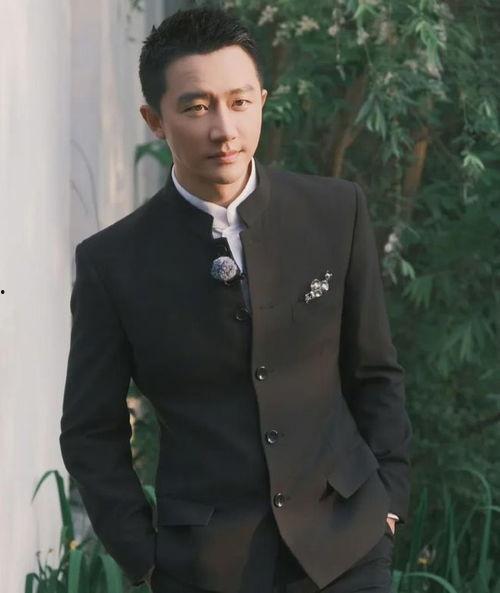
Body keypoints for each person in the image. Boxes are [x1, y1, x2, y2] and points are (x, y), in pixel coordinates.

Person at [59, 5, 412, 593]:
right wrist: (144, 557)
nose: (224, 129)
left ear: (262, 102)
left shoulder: (335, 212)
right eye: (197, 107)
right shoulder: (111, 263)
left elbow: (374, 371)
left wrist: (389, 499)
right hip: (204, 567)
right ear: (154, 120)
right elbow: (90, 431)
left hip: (347, 546)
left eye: (240, 102)